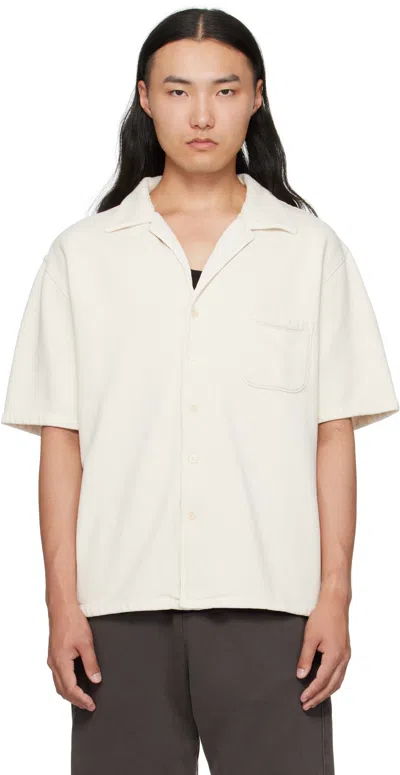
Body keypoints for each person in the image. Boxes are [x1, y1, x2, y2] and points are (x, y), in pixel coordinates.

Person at [2, 7, 399, 775]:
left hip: (274, 608)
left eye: (225, 90)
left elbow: (332, 434)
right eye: (179, 91)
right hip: (118, 606)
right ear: (145, 98)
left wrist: (335, 595)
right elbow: (62, 441)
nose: (203, 115)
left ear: (257, 96)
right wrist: (62, 604)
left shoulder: (310, 252)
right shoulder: (83, 256)